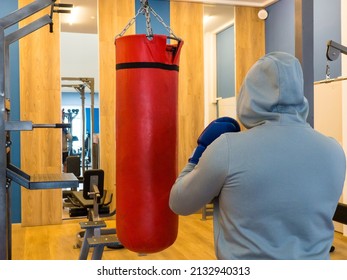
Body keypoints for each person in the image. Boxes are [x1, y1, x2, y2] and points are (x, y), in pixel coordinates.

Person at [169, 52, 346, 260]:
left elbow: (179, 203)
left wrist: (198, 154)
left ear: (248, 94)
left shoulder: (227, 148)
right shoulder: (334, 150)